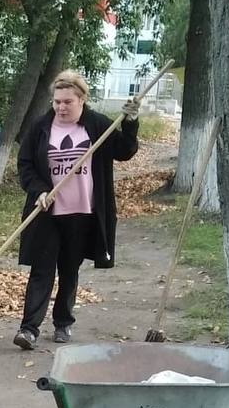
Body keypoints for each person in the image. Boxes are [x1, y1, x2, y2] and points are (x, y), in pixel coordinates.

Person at [13, 70, 140, 350]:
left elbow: (125, 150)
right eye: (57, 101)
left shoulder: (96, 125)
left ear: (82, 99)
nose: (61, 107)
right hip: (47, 211)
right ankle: (29, 329)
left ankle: (63, 323)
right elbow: (25, 165)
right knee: (42, 270)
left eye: (67, 101)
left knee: (69, 270)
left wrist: (130, 123)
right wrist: (39, 190)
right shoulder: (40, 127)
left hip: (82, 212)